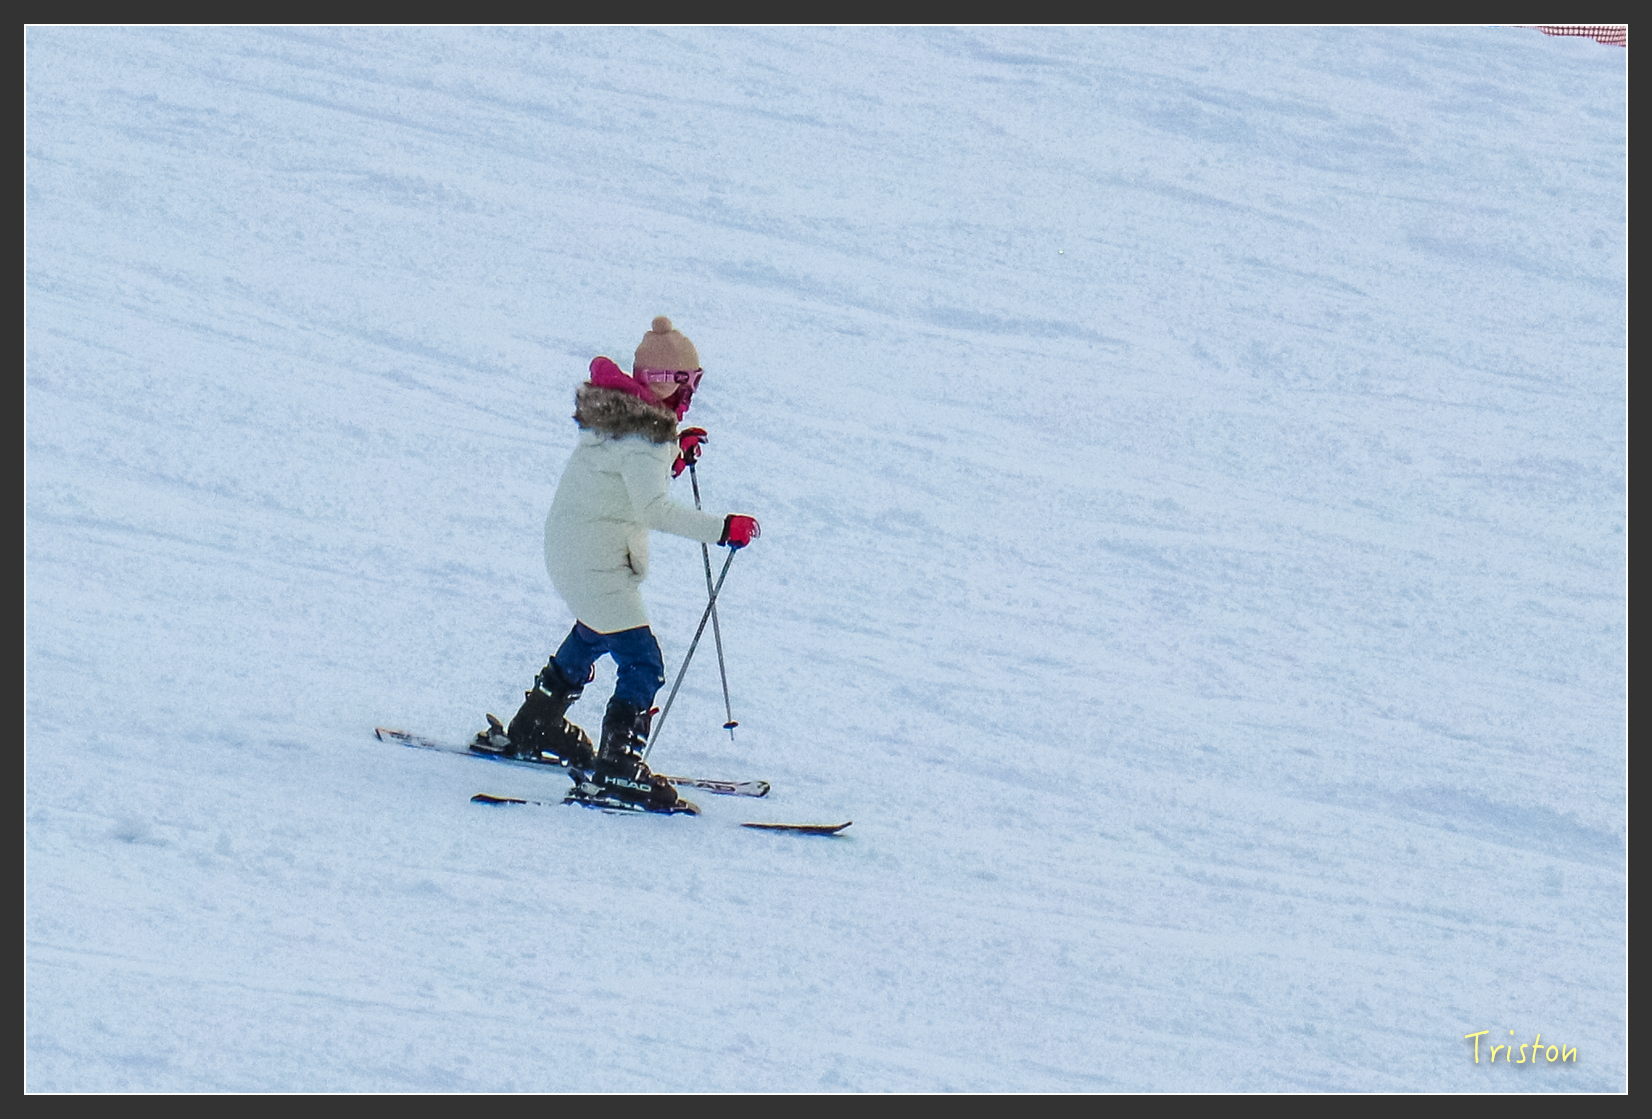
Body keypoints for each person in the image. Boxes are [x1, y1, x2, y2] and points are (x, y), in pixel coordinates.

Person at [474, 316, 760, 810]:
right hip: (595, 560)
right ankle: (618, 768)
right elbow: (652, 509)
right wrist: (722, 528)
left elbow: (627, 480)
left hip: (572, 550)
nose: (692, 393)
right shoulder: (644, 438)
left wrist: (671, 458)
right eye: (688, 383)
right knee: (642, 659)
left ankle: (535, 724)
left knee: (594, 631)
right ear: (665, 384)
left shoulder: (623, 423)